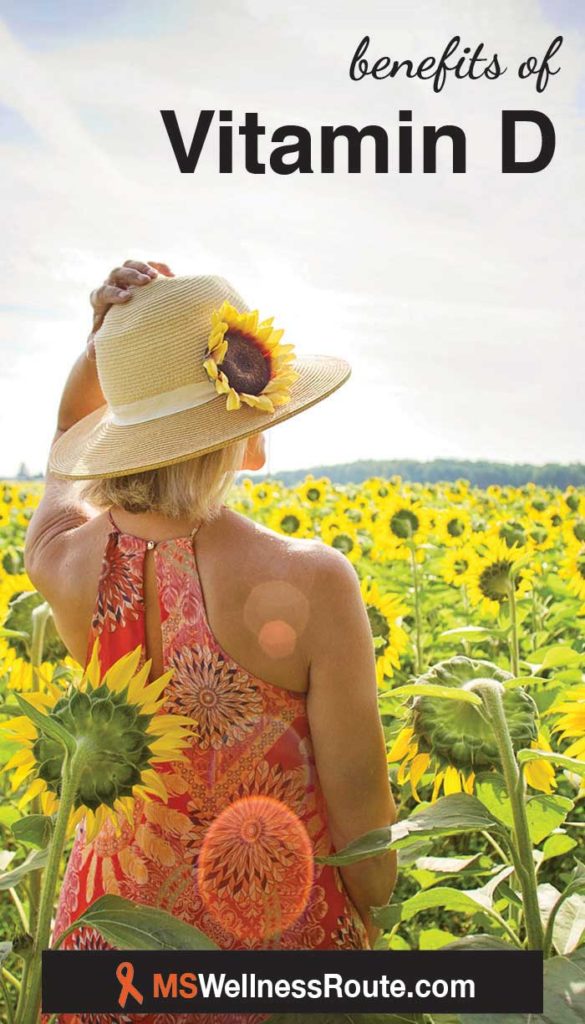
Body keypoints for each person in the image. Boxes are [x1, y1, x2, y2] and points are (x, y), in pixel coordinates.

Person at [25, 260, 396, 1006]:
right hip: (273, 948)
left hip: (108, 948)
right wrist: (376, 936)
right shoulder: (315, 581)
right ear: (245, 426)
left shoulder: (62, 558)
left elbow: (66, 446)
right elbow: (362, 820)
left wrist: (102, 351)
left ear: (118, 428)